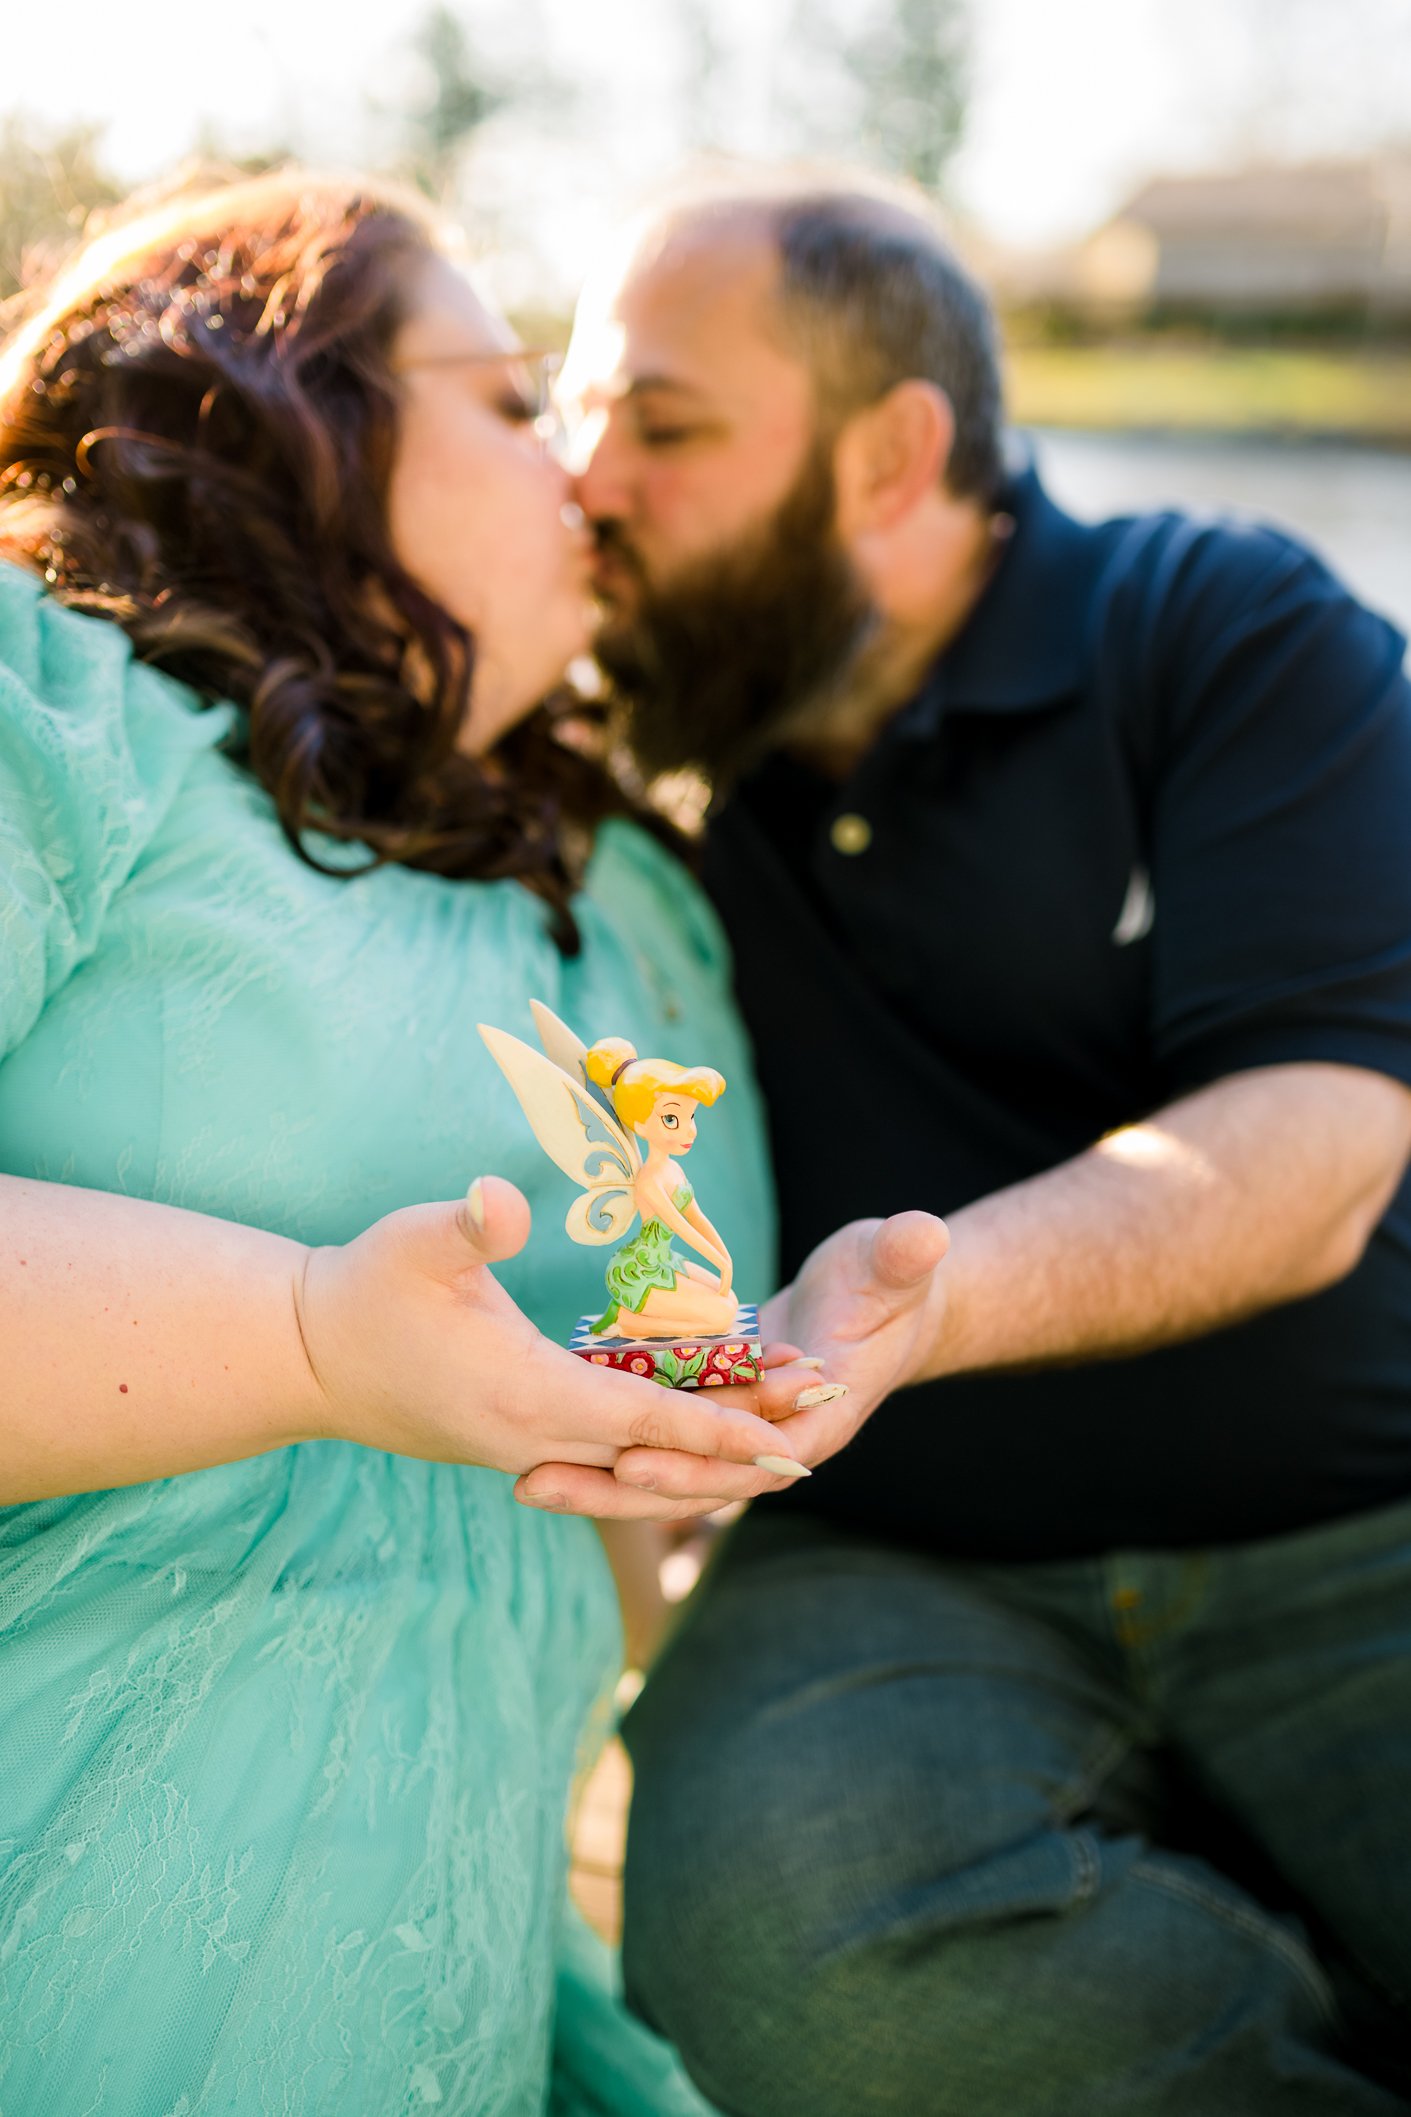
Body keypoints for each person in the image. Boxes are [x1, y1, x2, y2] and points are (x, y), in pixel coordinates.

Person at [0, 169, 945, 2116]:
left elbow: (629, 1502)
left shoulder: (646, 921)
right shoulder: (53, 703)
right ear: (278, 407)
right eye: (517, 404)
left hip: (448, 1992)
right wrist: (310, 1346)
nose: (592, 477)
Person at [558, 174, 1411, 2114]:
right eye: (571, 411)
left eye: (664, 425)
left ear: (893, 455)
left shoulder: (1225, 627)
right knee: (788, 1951)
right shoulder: (654, 727)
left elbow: (1313, 1146)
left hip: (1357, 1521)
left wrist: (924, 1305)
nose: (589, 477)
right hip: (884, 1554)